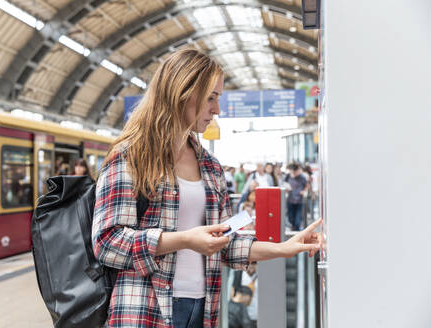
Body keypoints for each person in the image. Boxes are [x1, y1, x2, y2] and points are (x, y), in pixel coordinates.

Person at [92, 49, 321, 328]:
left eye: (218, 98)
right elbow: (107, 243)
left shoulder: (211, 167)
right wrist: (184, 240)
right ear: (181, 92)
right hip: (144, 309)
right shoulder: (131, 156)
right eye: (210, 97)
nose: (217, 110)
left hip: (203, 307)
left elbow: (224, 242)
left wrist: (284, 248)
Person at [285, 163, 309, 231]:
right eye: (291, 172)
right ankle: (293, 228)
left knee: (298, 218)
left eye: (294, 172)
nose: (293, 174)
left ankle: (296, 231)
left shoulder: (302, 177)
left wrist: (303, 191)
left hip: (299, 200)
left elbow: (307, 185)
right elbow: (284, 184)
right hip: (290, 200)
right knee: (291, 217)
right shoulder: (288, 176)